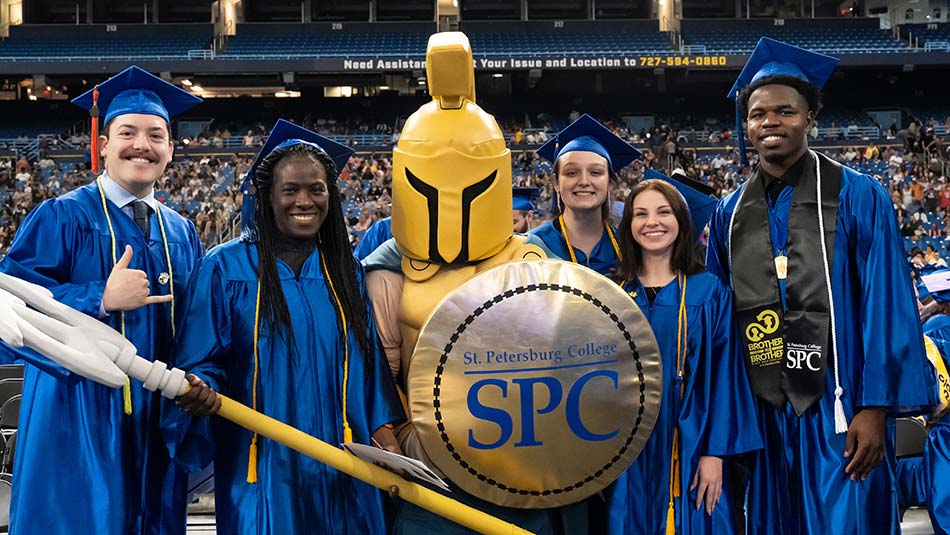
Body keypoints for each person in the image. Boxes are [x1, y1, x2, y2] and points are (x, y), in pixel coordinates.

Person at [706, 38, 935, 534]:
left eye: (785, 111)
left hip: (840, 406)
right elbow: (720, 325)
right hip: (762, 413)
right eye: (758, 113)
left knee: (846, 519)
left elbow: (886, 303)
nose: (770, 121)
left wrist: (875, 406)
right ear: (745, 125)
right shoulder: (728, 214)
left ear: (811, 118)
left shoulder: (859, 195)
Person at [168, 120, 404, 534]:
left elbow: (370, 369)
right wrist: (200, 384)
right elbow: (203, 358)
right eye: (290, 190)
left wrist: (387, 435)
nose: (305, 200)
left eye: (317, 189)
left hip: (344, 461)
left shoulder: (344, 271)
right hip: (262, 465)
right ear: (267, 198)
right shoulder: (226, 268)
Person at [0, 66, 204, 534]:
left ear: (171, 150)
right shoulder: (61, 216)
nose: (142, 145)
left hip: (158, 415)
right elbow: (10, 309)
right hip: (77, 416)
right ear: (104, 144)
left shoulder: (181, 231)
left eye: (156, 135)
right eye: (127, 132)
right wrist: (100, 297)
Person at [607, 177, 761, 535]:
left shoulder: (710, 292)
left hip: (692, 444)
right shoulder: (611, 292)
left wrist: (715, 453)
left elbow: (726, 378)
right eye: (640, 214)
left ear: (681, 221)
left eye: (664, 212)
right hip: (627, 450)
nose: (652, 222)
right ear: (629, 225)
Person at [530, 114, 641, 277]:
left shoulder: (630, 248)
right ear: (556, 183)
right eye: (571, 172)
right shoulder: (532, 247)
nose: (583, 181)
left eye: (595, 172)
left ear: (609, 182)